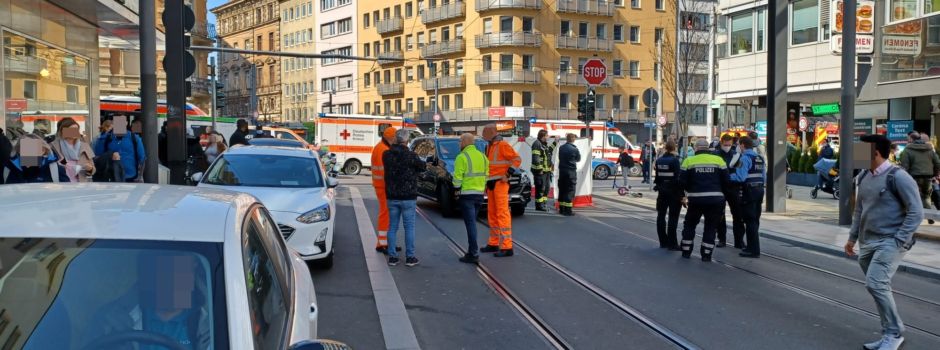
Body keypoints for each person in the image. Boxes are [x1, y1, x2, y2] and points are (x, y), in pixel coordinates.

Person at [845, 134, 922, 350]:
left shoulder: (899, 177)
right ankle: (888, 331)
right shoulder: (863, 176)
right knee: (879, 287)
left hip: (890, 241)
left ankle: (894, 333)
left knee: (876, 284)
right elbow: (859, 210)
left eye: (860, 150)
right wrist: (852, 238)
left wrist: (899, 240)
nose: (856, 155)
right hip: (868, 241)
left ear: (875, 153)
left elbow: (916, 212)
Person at [678, 139, 731, 262]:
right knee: (711, 227)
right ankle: (706, 254)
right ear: (708, 148)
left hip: (695, 200)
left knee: (690, 224)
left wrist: (684, 196)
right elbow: (727, 181)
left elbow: (681, 182)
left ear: (696, 148)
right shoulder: (719, 160)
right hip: (715, 200)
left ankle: (686, 251)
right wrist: (723, 196)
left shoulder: (689, 161)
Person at [382, 129, 426, 267]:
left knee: (392, 227)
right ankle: (410, 257)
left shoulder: (386, 155)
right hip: (408, 197)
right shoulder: (411, 155)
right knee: (409, 227)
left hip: (392, 196)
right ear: (407, 140)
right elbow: (422, 167)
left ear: (396, 139)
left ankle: (393, 257)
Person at [481, 124, 522, 257]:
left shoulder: (502, 145)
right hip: (492, 183)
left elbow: (517, 159)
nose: (483, 134)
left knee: (502, 213)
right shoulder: (489, 146)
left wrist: (508, 174)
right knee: (492, 214)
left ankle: (507, 246)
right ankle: (493, 243)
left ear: (492, 132)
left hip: (500, 183)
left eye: (485, 132)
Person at [453, 133, 489, 264]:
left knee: (471, 224)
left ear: (464, 142)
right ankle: (471, 251)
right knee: (472, 222)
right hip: (479, 195)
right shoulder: (483, 156)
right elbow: (486, 175)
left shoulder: (461, 157)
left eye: (459, 141)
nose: (459, 144)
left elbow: (457, 178)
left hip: (467, 195)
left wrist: (456, 190)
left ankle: (473, 253)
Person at [732, 137, 765, 258]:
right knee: (755, 219)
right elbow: (764, 177)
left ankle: (753, 250)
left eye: (738, 145)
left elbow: (740, 177)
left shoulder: (744, 158)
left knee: (750, 220)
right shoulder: (759, 158)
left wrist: (728, 176)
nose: (738, 147)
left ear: (742, 145)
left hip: (749, 191)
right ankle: (751, 246)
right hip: (759, 190)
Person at [897, 131, 940, 224]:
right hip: (928, 177)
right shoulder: (929, 149)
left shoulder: (908, 149)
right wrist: (935, 174)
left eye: (908, 138)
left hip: (913, 177)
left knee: (913, 197)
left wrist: (904, 177)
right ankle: (929, 217)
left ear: (911, 139)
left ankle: (914, 218)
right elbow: (937, 163)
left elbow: (904, 165)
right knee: (926, 197)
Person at [371, 127, 398, 254]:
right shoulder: (384, 150)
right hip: (384, 186)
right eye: (395, 139)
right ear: (390, 138)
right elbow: (386, 171)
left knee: (386, 214)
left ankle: (386, 242)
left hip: (380, 185)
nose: (395, 141)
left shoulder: (380, 147)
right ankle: (383, 244)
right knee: (385, 214)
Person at [4, 134, 70, 183]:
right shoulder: (9, 169)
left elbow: (66, 192)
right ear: (19, 150)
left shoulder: (54, 169)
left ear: (43, 151)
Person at [654, 141, 682, 250]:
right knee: (673, 218)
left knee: (661, 216)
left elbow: (657, 178)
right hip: (673, 193)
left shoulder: (659, 160)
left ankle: (663, 242)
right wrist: (682, 194)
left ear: (666, 148)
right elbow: (677, 178)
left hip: (662, 192)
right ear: (674, 148)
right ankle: (672, 244)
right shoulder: (675, 161)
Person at [713, 134, 740, 248]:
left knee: (737, 215)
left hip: (734, 188)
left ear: (732, 144)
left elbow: (739, 170)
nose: (727, 146)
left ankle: (739, 241)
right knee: (720, 215)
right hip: (720, 188)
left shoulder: (736, 155)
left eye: (729, 145)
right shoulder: (715, 155)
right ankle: (722, 239)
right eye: (725, 144)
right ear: (721, 143)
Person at [50, 117, 96, 182]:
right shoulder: (53, 146)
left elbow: (93, 169)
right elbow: (49, 164)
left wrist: (90, 169)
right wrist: (61, 165)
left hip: (82, 184)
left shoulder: (85, 146)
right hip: (62, 183)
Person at [558, 133, 581, 217]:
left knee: (562, 189)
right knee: (570, 190)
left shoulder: (561, 148)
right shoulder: (575, 149)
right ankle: (568, 210)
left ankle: (561, 209)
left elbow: (559, 158)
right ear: (573, 139)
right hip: (571, 172)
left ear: (567, 139)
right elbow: (578, 159)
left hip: (562, 171)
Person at [530, 130, 554, 211]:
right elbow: (536, 158)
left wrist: (555, 142)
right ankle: (539, 206)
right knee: (540, 189)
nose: (548, 137)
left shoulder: (544, 144)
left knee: (546, 188)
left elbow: (549, 152)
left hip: (546, 171)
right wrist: (540, 169)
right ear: (543, 136)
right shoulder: (537, 144)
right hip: (540, 171)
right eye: (547, 135)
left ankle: (543, 204)